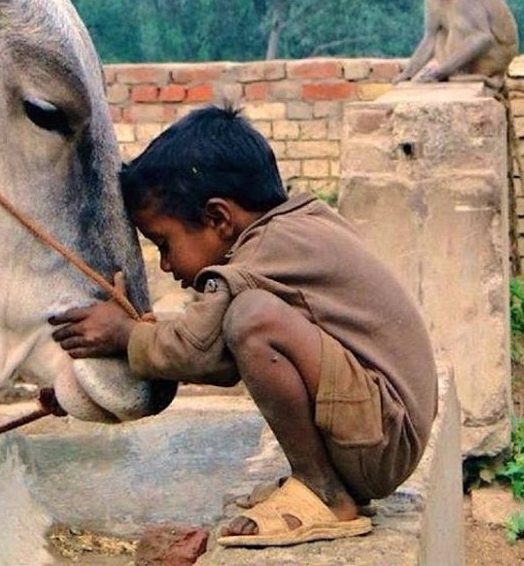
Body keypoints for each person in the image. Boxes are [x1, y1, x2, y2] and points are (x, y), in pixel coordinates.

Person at [49, 104, 437, 547]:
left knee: (252, 318)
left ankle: (323, 494)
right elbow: (221, 357)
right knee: (247, 319)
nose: (166, 263)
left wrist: (122, 334)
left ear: (218, 218)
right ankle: (320, 485)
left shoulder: (267, 251)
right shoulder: (294, 229)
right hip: (381, 431)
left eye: (164, 242)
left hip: (383, 439)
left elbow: (200, 349)